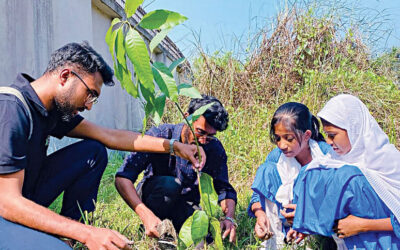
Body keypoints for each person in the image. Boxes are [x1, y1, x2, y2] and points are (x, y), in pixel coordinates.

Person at [0, 42, 205, 250]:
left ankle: (67, 239)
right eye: (90, 94)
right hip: (6, 208)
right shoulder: (11, 109)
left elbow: (109, 135)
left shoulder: (51, 110)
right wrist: (88, 233)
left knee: (93, 152)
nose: (88, 105)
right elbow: (7, 202)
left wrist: (174, 146)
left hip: (24, 197)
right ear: (65, 76)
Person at [115, 95, 238, 243]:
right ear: (187, 117)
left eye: (210, 136)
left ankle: (174, 230)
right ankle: (153, 227)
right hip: (155, 195)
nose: (203, 141)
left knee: (204, 240)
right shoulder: (160, 136)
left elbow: (225, 190)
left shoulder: (213, 148)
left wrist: (229, 217)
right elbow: (122, 178)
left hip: (185, 203)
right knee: (170, 185)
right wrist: (145, 214)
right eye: (200, 132)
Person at [292, 94, 400, 249]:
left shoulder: (389, 162)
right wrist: (307, 212)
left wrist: (364, 225)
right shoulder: (333, 160)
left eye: (332, 135)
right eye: (327, 135)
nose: (328, 142)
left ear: (354, 128)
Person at [248, 102, 335, 249]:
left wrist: (307, 213)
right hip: (287, 222)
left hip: (319, 223)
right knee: (267, 170)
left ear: (307, 135)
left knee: (310, 174)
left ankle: (310, 242)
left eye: (289, 139)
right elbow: (258, 196)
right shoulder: (277, 156)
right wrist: (260, 214)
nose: (282, 145)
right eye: (278, 138)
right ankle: (274, 240)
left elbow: (336, 199)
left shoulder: (326, 155)